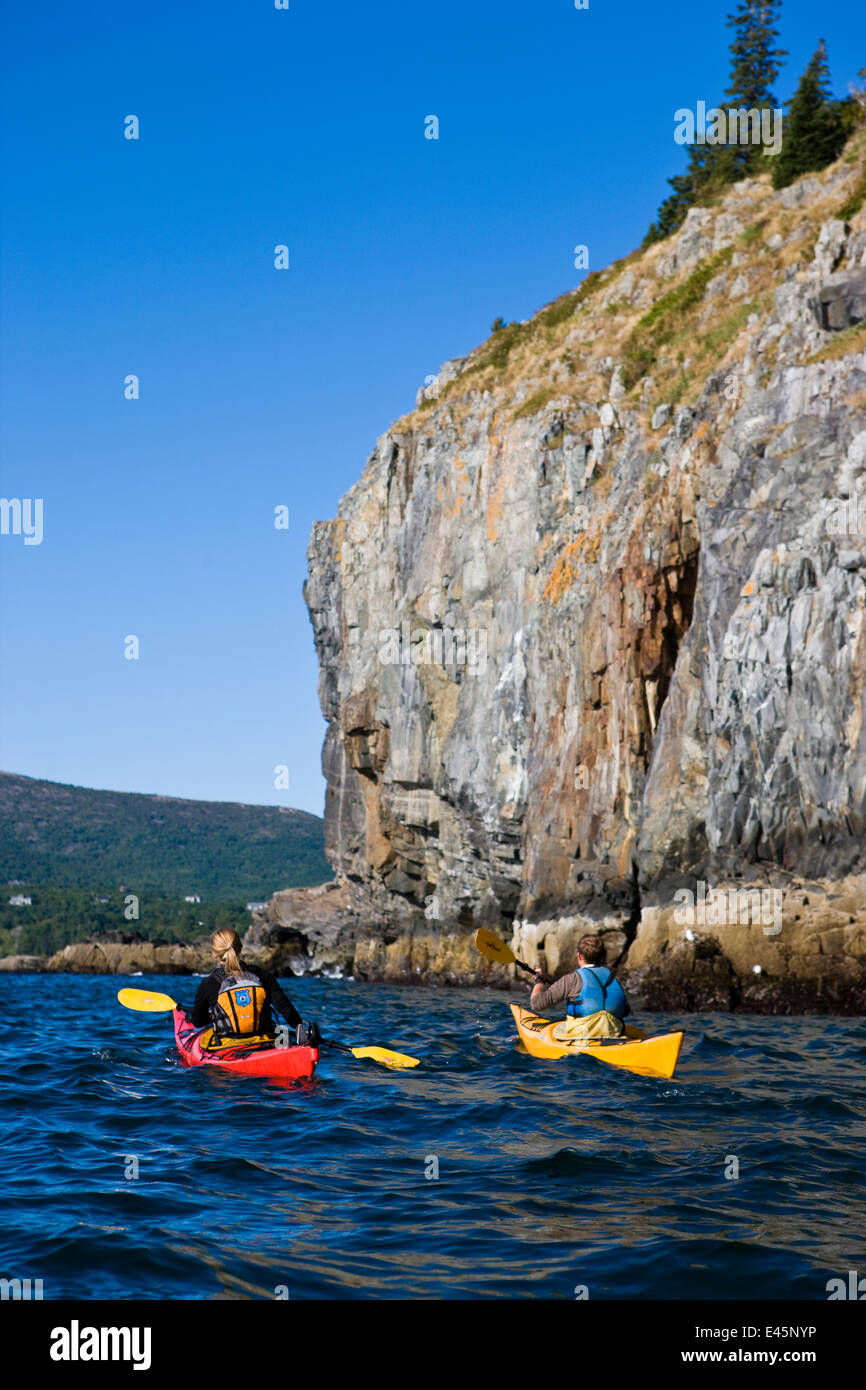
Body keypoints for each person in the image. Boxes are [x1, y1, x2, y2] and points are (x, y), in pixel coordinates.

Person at [190, 928, 309, 1049]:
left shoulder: (209, 983)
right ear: (240, 948)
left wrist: (212, 1016)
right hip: (265, 1042)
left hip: (227, 1047)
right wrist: (298, 1026)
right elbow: (285, 1008)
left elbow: (198, 1021)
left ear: (215, 953)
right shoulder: (263, 975)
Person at [529, 933, 630, 1041]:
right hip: (614, 1033)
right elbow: (625, 1011)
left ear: (580, 956)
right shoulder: (614, 978)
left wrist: (539, 981)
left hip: (582, 1035)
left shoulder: (572, 979)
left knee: (556, 1027)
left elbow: (536, 1004)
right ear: (602, 956)